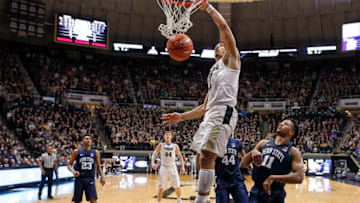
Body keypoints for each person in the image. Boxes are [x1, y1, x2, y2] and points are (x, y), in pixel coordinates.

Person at [161, 1, 240, 202]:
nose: (219, 45)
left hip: (224, 111)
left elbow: (224, 28)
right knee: (199, 156)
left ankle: (202, 199)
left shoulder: (232, 60)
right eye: (217, 45)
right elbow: (205, 106)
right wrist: (181, 117)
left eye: (221, 44)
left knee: (206, 155)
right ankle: (206, 192)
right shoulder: (213, 73)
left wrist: (209, 8)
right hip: (212, 112)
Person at [240, 119, 304, 203]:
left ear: (291, 132)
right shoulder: (263, 143)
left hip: (275, 193)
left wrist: (273, 178)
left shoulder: (293, 151)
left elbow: (299, 177)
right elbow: (243, 164)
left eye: (285, 124)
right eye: (281, 122)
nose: (281, 124)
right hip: (256, 191)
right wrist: (252, 152)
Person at [68, 136, 105, 203]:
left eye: (90, 139)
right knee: (77, 201)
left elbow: (98, 166)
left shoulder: (95, 152)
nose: (88, 140)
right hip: (79, 179)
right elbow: (69, 165)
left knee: (93, 200)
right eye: (86, 138)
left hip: (90, 178)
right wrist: (73, 172)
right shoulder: (76, 152)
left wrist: (102, 176)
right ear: (82, 141)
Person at [151, 131, 185, 203]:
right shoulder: (161, 145)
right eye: (166, 134)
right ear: (164, 136)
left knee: (177, 186)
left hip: (173, 166)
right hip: (164, 167)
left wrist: (182, 166)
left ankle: (179, 199)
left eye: (169, 134)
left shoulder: (175, 146)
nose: (168, 136)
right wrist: (152, 162)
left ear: (171, 136)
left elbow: (180, 156)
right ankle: (159, 201)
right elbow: (154, 154)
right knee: (161, 186)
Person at [215, 137, 248, 203]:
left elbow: (244, 157)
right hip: (222, 179)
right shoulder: (215, 143)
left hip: (236, 178)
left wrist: (251, 168)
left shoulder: (237, 142)